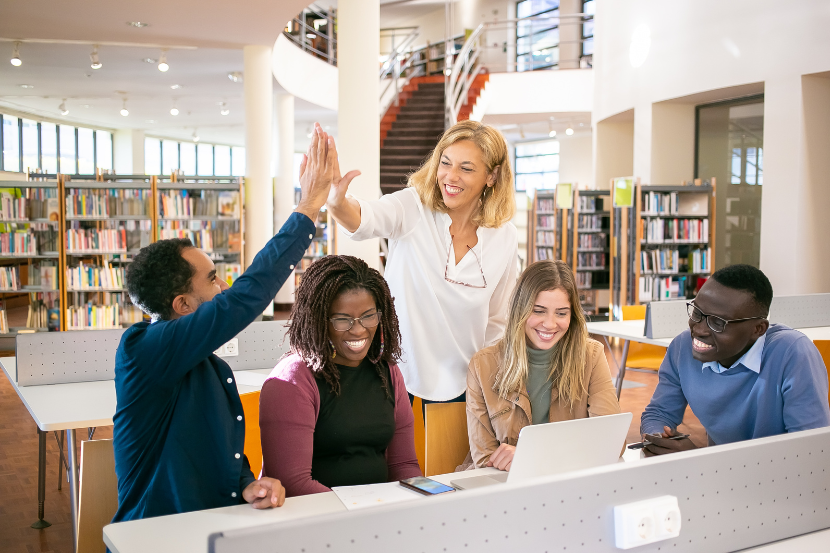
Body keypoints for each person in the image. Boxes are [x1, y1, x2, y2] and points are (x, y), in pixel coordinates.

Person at [111, 126, 335, 522]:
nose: (223, 286)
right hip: (157, 536)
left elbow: (217, 448)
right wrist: (308, 209)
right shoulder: (143, 350)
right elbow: (244, 298)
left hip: (214, 527)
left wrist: (247, 483)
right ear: (182, 304)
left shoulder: (208, 365)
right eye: (212, 278)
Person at [325, 120, 519, 410]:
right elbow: (367, 218)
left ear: (491, 176)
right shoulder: (413, 207)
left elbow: (499, 320)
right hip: (398, 379)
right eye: (445, 163)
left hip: (466, 387)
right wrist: (338, 203)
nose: (450, 177)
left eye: (466, 168)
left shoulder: (504, 236)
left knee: (452, 457)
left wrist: (487, 380)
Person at [259, 255, 422, 496]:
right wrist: (361, 512)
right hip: (318, 519)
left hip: (377, 514)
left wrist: (424, 498)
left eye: (368, 316)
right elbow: (292, 483)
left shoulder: (387, 371)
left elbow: (403, 465)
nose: (358, 329)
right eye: (343, 320)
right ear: (318, 320)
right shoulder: (292, 380)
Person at [640, 264, 830, 456]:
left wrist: (698, 459)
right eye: (697, 313)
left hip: (781, 480)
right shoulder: (682, 346)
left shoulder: (792, 353)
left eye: (717, 322)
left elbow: (809, 452)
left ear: (758, 329)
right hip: (722, 479)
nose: (699, 329)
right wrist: (658, 437)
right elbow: (659, 413)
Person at [465, 260, 621, 470]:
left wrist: (531, 456)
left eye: (561, 313)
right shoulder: (482, 366)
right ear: (521, 310)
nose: (549, 324)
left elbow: (612, 441)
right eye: (538, 311)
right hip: (505, 486)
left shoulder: (591, 356)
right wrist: (564, 454)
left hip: (569, 481)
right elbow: (485, 460)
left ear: (572, 315)